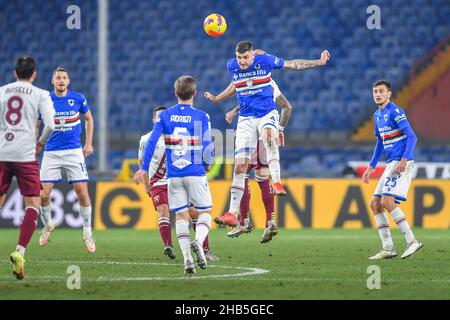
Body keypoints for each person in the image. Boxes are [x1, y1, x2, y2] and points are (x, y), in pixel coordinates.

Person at [205, 40, 330, 227]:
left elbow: (294, 64)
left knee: (269, 136)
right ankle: (232, 213)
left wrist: (318, 62)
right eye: (239, 57)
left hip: (266, 114)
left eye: (246, 57)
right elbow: (235, 86)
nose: (242, 61)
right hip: (246, 120)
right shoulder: (232, 66)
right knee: (239, 167)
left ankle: (278, 182)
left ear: (254, 55)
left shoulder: (266, 62)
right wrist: (217, 99)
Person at [205, 59, 293, 243]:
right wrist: (234, 110)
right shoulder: (248, 77)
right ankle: (258, 221)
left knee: (254, 176)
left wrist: (280, 129)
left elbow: (285, 105)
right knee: (251, 175)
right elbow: (248, 96)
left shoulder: (269, 81)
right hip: (252, 129)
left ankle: (254, 222)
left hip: (261, 133)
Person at [139, 75, 214, 274]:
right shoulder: (201, 116)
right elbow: (207, 144)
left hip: (173, 176)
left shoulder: (165, 116)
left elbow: (152, 143)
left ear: (175, 93)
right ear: (195, 94)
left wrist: (143, 169)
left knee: (180, 216)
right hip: (195, 171)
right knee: (204, 213)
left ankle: (187, 261)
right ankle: (198, 242)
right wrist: (208, 163)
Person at [0, 56, 55, 279]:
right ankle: (20, 252)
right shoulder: (41, 94)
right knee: (32, 203)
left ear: (14, 73)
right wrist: (40, 143)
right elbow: (50, 124)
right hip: (25, 154)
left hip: (2, 152)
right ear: (34, 74)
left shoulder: (2, 91)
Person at [362, 79, 423, 259]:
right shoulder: (376, 116)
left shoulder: (396, 111)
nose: (378, 94)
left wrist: (404, 159)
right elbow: (380, 142)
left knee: (388, 202)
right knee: (375, 204)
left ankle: (412, 241)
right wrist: (371, 166)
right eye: (375, 91)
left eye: (381, 91)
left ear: (389, 94)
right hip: (390, 163)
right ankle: (388, 247)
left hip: (401, 162)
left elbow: (412, 137)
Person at [37, 67, 96, 253]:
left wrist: (88, 144)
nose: (61, 80)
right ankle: (48, 225)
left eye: (64, 78)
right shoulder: (45, 100)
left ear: (68, 81)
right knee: (43, 195)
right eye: (58, 78)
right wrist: (34, 144)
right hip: (51, 152)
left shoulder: (78, 98)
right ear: (52, 81)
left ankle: (87, 233)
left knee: (81, 191)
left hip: (73, 151)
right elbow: (37, 123)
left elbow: (89, 119)